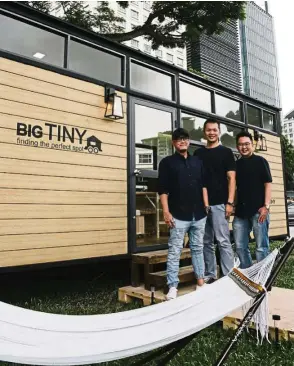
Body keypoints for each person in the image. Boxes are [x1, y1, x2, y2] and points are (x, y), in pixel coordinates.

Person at [158, 128, 209, 300]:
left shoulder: (197, 161)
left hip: (199, 214)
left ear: (188, 141)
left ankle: (201, 283)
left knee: (197, 248)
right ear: (173, 142)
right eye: (178, 139)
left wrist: (206, 206)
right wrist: (166, 212)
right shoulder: (167, 163)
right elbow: (163, 191)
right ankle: (172, 286)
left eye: (185, 139)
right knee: (175, 251)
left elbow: (203, 185)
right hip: (178, 214)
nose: (182, 141)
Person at [194, 118, 235, 282]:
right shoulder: (198, 153)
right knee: (206, 242)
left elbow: (232, 178)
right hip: (201, 204)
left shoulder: (226, 152)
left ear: (219, 132)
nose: (211, 132)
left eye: (214, 130)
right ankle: (210, 274)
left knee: (223, 240)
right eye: (208, 130)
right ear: (205, 132)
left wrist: (230, 202)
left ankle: (228, 276)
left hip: (220, 203)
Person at [233, 131, 272, 269]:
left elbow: (268, 184)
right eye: (240, 145)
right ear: (237, 147)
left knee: (261, 247)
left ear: (252, 145)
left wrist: (265, 207)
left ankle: (262, 278)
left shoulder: (261, 161)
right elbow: (235, 187)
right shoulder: (236, 165)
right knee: (240, 246)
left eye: (246, 144)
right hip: (240, 212)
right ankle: (249, 274)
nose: (244, 147)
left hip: (258, 210)